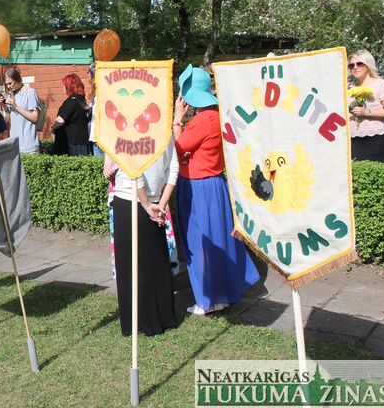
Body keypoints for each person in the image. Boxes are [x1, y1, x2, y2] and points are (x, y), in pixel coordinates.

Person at [173, 64, 259, 316]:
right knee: (218, 240)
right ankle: (222, 295)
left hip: (198, 187)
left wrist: (177, 119)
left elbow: (177, 149)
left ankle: (207, 300)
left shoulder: (200, 120)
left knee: (200, 242)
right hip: (215, 184)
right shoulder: (217, 116)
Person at [107, 138, 179, 336]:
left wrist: (161, 204)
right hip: (129, 201)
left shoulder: (165, 131)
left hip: (154, 203)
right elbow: (134, 171)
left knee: (157, 262)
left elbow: (173, 167)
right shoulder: (132, 131)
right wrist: (148, 204)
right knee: (134, 266)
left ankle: (161, 318)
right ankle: (138, 321)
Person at [347, 50, 384, 163]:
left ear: (368, 64)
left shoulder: (381, 85)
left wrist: (366, 113)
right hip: (352, 139)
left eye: (359, 64)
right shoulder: (349, 87)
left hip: (375, 139)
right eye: (351, 65)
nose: (355, 67)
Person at [0, 68, 41, 154]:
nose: (8, 86)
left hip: (29, 146)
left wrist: (15, 106)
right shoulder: (12, 94)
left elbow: (35, 118)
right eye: (6, 84)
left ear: (17, 79)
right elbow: (10, 118)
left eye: (10, 83)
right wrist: (3, 104)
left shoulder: (30, 92)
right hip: (15, 146)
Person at [52, 74, 91, 156]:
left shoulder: (71, 101)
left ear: (69, 87)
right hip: (82, 142)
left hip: (71, 144)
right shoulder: (81, 101)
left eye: (64, 85)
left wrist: (53, 128)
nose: (63, 87)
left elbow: (60, 120)